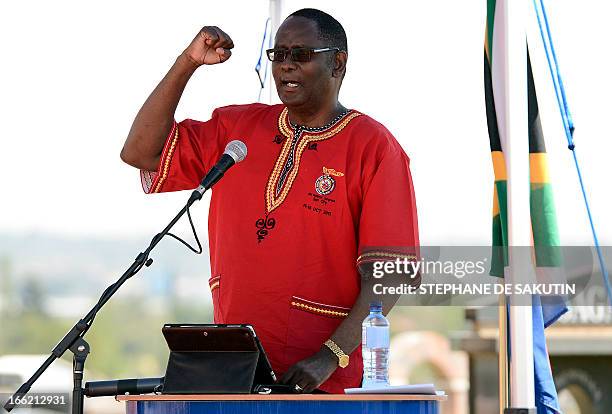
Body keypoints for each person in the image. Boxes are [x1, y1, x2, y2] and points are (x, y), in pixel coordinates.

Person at [120, 8, 420, 394]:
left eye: (301, 55)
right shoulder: (237, 129)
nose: (286, 67)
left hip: (320, 382)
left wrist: (330, 356)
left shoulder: (374, 146)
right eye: (279, 55)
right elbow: (140, 153)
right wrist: (187, 63)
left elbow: (389, 273)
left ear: (338, 63)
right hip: (236, 370)